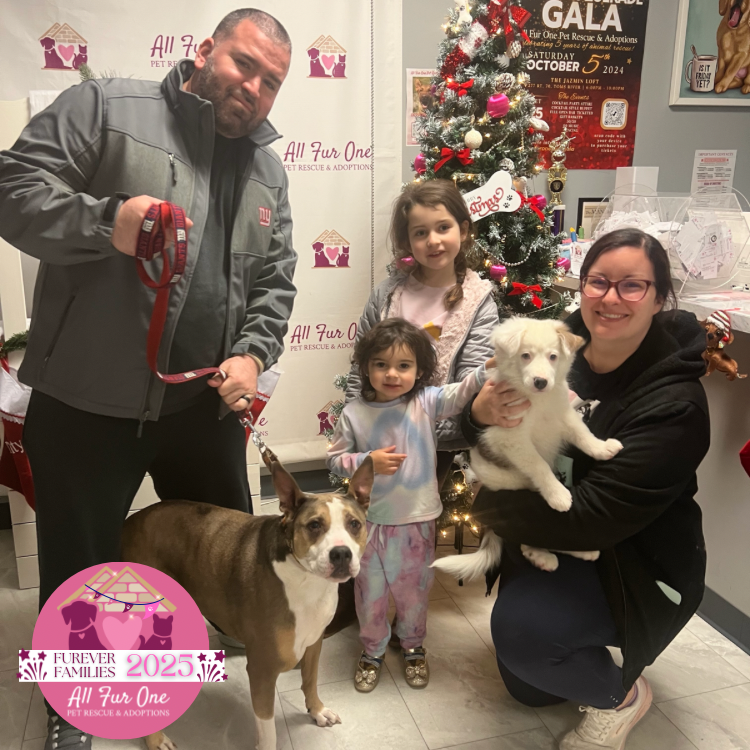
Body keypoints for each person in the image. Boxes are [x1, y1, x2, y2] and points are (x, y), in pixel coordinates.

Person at [0, 9, 296, 749]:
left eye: (271, 81)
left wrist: (252, 354)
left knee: (222, 549)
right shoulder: (105, 108)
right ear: (205, 50)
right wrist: (105, 222)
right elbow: (11, 188)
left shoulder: (269, 171)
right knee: (80, 562)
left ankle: (179, 661)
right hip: (87, 401)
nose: (254, 87)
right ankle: (75, 706)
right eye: (244, 64)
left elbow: (276, 282)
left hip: (203, 406)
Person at [461, 228, 710, 749]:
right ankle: (554, 637)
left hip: (631, 556)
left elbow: (594, 519)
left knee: (524, 637)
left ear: (659, 297)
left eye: (632, 285)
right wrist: (477, 413)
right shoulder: (556, 340)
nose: (611, 298)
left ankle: (621, 697)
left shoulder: (675, 404)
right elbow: (489, 426)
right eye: (599, 282)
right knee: (527, 687)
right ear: (582, 286)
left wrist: (487, 507)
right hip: (555, 528)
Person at [327, 318, 491, 692]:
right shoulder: (354, 413)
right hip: (368, 524)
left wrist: (487, 370)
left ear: (419, 370)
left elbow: (460, 392)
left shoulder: (425, 402)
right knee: (369, 595)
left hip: (417, 522)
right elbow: (335, 459)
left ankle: (413, 646)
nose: (391, 374)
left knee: (413, 592)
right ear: (366, 367)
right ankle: (372, 650)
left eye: (403, 365)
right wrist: (366, 460)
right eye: (381, 364)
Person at [346, 179, 499, 489]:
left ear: (463, 230)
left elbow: (471, 379)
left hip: (433, 440)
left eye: (443, 227)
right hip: (378, 430)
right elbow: (360, 367)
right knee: (372, 512)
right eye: (420, 233)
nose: (433, 240)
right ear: (408, 241)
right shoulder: (387, 296)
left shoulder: (478, 302)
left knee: (418, 513)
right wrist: (354, 426)